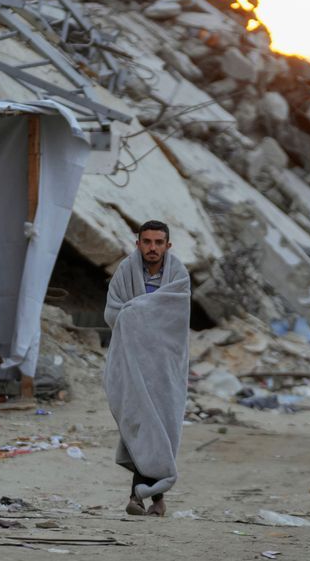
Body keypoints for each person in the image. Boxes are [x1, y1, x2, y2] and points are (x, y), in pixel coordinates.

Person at [103, 220, 191, 517]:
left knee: (163, 429)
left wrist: (136, 311)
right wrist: (139, 314)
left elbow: (175, 318)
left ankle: (155, 497)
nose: (152, 248)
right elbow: (114, 313)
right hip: (133, 364)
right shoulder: (125, 273)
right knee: (141, 426)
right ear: (137, 243)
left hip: (166, 367)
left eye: (158, 242)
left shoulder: (179, 276)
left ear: (168, 245)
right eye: (147, 242)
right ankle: (139, 498)